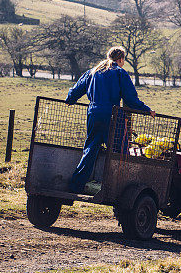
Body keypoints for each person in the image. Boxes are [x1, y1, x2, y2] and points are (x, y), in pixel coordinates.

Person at [65, 46, 155, 194]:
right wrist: (146, 110)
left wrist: (70, 99)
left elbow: (76, 90)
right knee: (120, 152)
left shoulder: (93, 71)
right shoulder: (120, 73)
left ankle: (76, 185)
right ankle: (115, 188)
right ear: (120, 59)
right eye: (123, 60)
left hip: (93, 114)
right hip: (113, 115)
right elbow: (131, 99)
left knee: (90, 149)